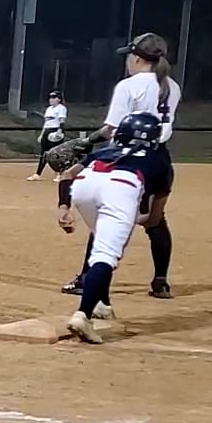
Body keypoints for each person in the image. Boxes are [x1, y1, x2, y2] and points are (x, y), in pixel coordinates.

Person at [62, 33, 184, 299]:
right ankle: (160, 282)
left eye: (130, 56)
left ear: (138, 58)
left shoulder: (129, 86)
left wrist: (85, 142)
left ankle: (87, 279)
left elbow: (112, 129)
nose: (128, 61)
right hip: (159, 158)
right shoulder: (172, 86)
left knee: (107, 216)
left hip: (127, 157)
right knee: (155, 221)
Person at [55, 112, 166, 343]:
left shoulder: (104, 151)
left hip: (85, 184)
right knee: (106, 254)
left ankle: (102, 304)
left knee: (101, 239)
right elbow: (153, 218)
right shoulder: (159, 160)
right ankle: (83, 315)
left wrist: (64, 207)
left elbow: (67, 175)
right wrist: (134, 218)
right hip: (122, 187)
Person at [28, 90, 67, 181]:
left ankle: (59, 174)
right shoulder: (49, 109)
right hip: (47, 131)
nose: (51, 99)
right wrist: (42, 135)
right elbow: (46, 124)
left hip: (55, 130)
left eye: (54, 98)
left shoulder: (61, 108)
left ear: (59, 99)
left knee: (56, 154)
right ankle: (38, 174)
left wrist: (59, 131)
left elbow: (62, 121)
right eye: (50, 98)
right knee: (44, 154)